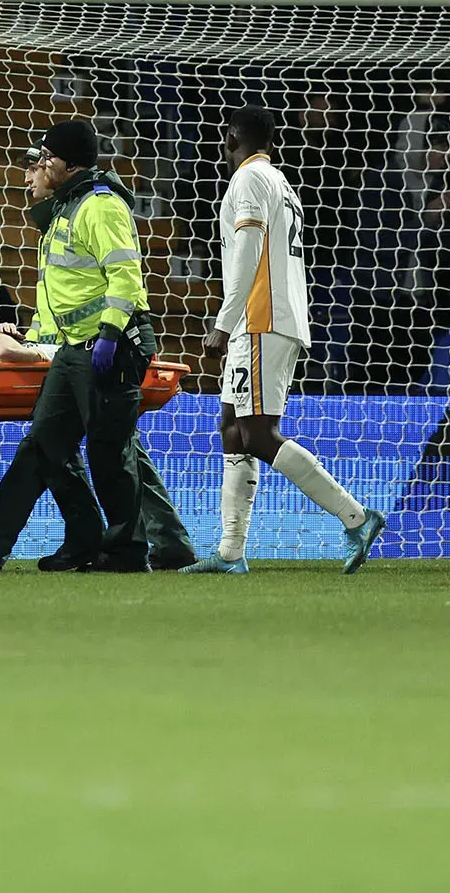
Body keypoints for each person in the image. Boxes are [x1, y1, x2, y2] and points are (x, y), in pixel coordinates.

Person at [0, 119, 161, 572]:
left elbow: (126, 277)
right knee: (44, 442)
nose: (37, 166)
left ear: (69, 163)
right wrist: (36, 336)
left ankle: (126, 552)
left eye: (46, 158)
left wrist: (110, 334)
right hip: (74, 349)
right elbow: (59, 294)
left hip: (110, 345)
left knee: (108, 453)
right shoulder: (65, 209)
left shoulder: (100, 207)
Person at [183, 106, 385, 575]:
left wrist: (223, 320)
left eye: (224, 136)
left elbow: (249, 252)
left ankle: (355, 517)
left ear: (233, 137)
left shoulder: (249, 180)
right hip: (272, 316)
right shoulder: (280, 182)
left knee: (257, 434)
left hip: (260, 317)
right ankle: (231, 552)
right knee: (233, 430)